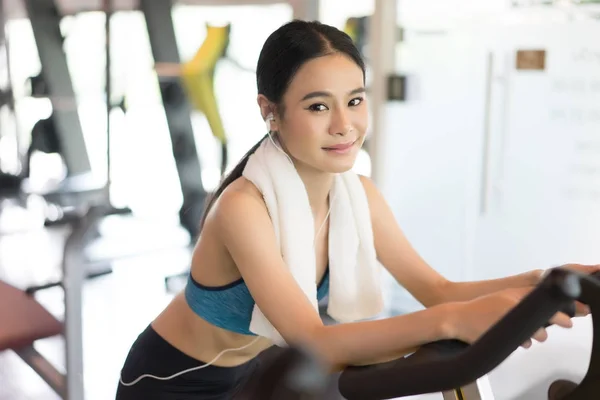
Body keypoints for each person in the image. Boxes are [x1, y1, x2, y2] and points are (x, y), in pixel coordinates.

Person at [115, 19, 598, 399]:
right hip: (170, 382)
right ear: (271, 112)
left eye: (355, 100)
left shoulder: (358, 194)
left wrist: (545, 285)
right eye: (318, 107)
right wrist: (456, 320)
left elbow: (436, 289)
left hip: (250, 373)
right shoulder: (244, 208)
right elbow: (313, 341)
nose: (345, 125)